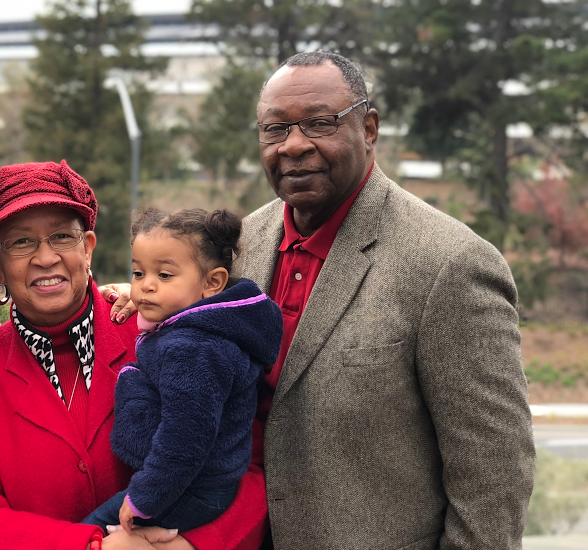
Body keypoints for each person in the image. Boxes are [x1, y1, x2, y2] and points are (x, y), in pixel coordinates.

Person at [110, 52, 536, 549]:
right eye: (275, 129)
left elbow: (493, 474)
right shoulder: (241, 242)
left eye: (319, 123)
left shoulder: (450, 264)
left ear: (369, 128)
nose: (293, 145)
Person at [0, 161, 271, 550]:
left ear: (88, 247)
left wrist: (193, 546)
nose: (45, 258)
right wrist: (92, 546)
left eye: (62, 237)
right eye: (21, 242)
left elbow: (249, 465)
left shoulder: (166, 334)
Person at [83, 208, 282, 535]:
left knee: (91, 532)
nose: (146, 286)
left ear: (212, 282)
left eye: (164, 275)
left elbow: (185, 438)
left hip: (192, 488)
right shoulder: (206, 329)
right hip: (199, 483)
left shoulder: (194, 350)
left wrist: (144, 498)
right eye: (138, 273)